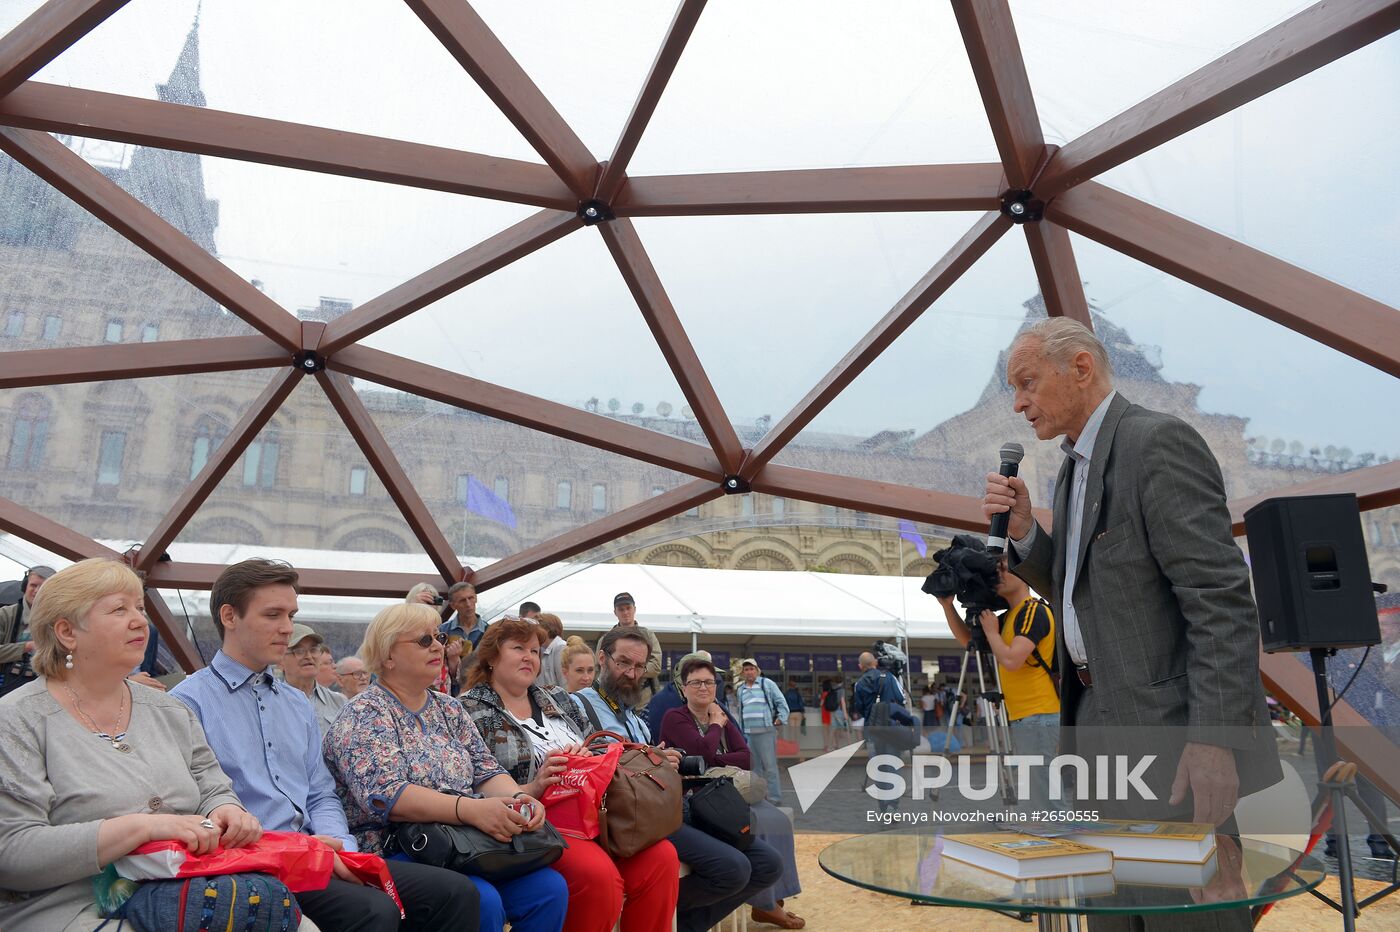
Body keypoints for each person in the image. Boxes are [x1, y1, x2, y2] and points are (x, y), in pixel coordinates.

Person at [984, 318, 1281, 930]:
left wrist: (1214, 738)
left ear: (1081, 368)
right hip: (1097, 730)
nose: (1017, 403)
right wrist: (1026, 534)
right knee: (1116, 915)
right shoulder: (1073, 468)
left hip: (1168, 741)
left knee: (1187, 916)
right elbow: (1086, 596)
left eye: (1027, 382)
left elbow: (1221, 600)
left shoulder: (1156, 443)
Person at [172, 558, 479, 931]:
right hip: (250, 863)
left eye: (291, 615)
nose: (287, 628)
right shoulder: (187, 703)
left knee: (456, 893)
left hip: (314, 851)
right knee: (374, 910)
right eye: (273, 615)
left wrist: (340, 846)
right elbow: (193, 807)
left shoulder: (295, 702)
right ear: (229, 616)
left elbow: (320, 793)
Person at [0, 558, 267, 931]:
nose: (140, 621)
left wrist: (226, 810)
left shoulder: (170, 710)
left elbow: (212, 787)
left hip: (188, 890)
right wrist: (143, 828)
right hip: (73, 906)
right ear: (67, 632)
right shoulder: (17, 720)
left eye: (140, 608)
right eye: (118, 609)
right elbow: (12, 851)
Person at [323, 604, 567, 932]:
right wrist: (470, 810)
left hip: (464, 840)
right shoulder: (365, 713)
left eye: (439, 637)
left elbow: (485, 769)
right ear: (388, 655)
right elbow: (387, 796)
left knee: (549, 890)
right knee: (482, 900)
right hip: (399, 846)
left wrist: (518, 800)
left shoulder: (448, 707)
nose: (438, 647)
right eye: (424, 640)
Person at [462, 616, 680, 932]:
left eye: (535, 651)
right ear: (492, 657)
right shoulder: (469, 710)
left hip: (593, 810)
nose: (529, 657)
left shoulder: (557, 698)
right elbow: (471, 784)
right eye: (518, 648)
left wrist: (589, 757)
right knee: (597, 877)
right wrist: (535, 784)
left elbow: (599, 747)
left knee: (661, 857)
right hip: (537, 822)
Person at [575, 627, 783, 932]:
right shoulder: (578, 706)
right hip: (634, 817)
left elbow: (742, 755)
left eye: (639, 666)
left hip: (669, 804)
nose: (632, 673)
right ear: (603, 659)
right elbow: (584, 765)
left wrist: (662, 757)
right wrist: (653, 758)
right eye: (623, 663)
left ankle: (683, 924)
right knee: (733, 869)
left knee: (768, 864)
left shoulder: (631, 713)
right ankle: (661, 914)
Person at [660, 656, 805, 930]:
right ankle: (762, 905)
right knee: (750, 841)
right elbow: (703, 752)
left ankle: (768, 900)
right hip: (696, 801)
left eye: (709, 682)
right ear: (683, 687)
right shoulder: (676, 717)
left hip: (726, 794)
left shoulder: (721, 713)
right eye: (696, 682)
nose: (704, 687)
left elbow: (746, 757)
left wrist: (713, 756)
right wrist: (716, 726)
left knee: (776, 833)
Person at [936, 555, 1059, 809]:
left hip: (1039, 714)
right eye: (996, 571)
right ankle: (1043, 827)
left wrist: (992, 631)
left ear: (1024, 574)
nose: (998, 575)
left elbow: (1012, 660)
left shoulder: (1033, 610)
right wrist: (948, 607)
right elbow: (969, 641)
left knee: (1044, 790)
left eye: (1004, 569)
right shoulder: (1010, 617)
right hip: (1026, 715)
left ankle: (1059, 829)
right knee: (1038, 788)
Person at [853, 652, 912, 815]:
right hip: (891, 728)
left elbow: (859, 708)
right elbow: (901, 698)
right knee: (893, 766)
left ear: (860, 666)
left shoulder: (859, 684)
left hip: (872, 730)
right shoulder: (889, 677)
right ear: (875, 662)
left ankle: (884, 806)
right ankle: (893, 805)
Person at [279, 621, 348, 737]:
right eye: (299, 651)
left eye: (313, 650)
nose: (308, 656)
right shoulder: (270, 703)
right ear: (280, 661)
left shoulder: (339, 702)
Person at [734, 659, 788, 806]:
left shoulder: (767, 684)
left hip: (766, 731)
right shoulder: (741, 689)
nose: (749, 672)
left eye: (751, 669)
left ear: (757, 670)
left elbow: (781, 702)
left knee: (770, 767)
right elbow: (740, 710)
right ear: (743, 673)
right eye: (746, 670)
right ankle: (759, 798)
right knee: (754, 768)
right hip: (748, 733)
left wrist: (781, 718)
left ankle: (775, 798)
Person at [597, 592, 662, 705]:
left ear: (634, 609)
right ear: (615, 612)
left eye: (628, 608)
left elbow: (656, 666)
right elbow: (598, 668)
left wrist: (632, 669)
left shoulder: (648, 636)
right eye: (621, 609)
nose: (625, 612)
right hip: (612, 698)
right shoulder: (605, 639)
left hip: (643, 699)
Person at [0, 564, 55, 695]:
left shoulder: (59, 621)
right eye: (33, 585)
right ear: (25, 586)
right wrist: (27, 647)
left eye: (43, 587)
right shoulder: (4, 614)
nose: (37, 591)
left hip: (40, 690)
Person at [445, 581, 489, 648]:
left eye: (470, 598)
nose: (468, 604)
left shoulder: (490, 631)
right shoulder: (443, 630)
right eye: (462, 600)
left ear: (476, 598)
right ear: (453, 605)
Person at [535, 612, 568, 690]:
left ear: (547, 630)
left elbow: (564, 682)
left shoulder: (561, 647)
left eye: (536, 628)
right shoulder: (542, 649)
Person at [818, 678, 848, 752]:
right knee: (834, 730)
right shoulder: (832, 692)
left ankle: (827, 746)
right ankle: (835, 745)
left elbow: (821, 704)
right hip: (832, 712)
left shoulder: (824, 694)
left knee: (827, 731)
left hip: (825, 713)